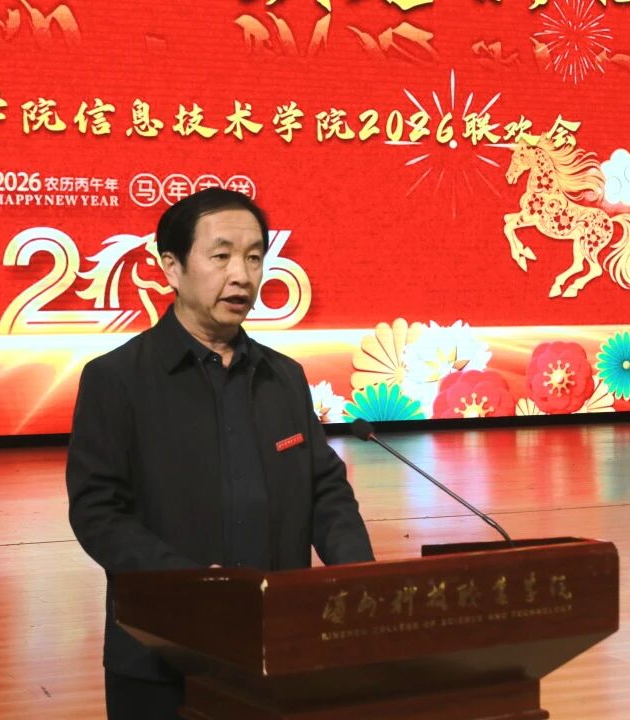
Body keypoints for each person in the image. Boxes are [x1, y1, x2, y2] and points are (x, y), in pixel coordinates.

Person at [66, 188, 374, 720]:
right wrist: (193, 586)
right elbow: (97, 513)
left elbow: (325, 491)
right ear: (172, 267)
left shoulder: (284, 377)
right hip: (162, 656)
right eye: (222, 256)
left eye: (254, 257)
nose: (242, 276)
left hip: (278, 650)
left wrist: (359, 579)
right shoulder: (116, 380)